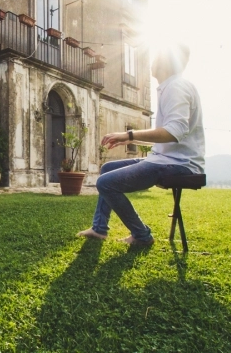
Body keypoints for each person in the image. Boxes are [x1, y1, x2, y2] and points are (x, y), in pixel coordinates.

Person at [77, 44, 204, 246]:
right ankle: (99, 229)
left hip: (179, 164)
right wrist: (129, 139)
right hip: (166, 158)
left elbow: (174, 131)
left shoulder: (176, 87)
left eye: (155, 58)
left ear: (163, 62)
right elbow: (166, 135)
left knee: (105, 183)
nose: (150, 63)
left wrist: (129, 133)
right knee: (107, 169)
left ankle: (142, 235)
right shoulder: (171, 86)